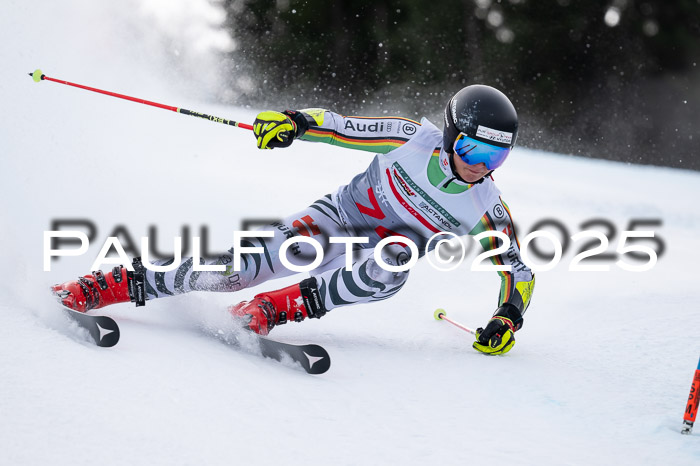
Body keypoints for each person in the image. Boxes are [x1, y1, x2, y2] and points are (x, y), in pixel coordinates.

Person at [51, 84, 535, 355]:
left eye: (496, 157)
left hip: (372, 264)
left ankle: (273, 309)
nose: (479, 165)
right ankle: (111, 283)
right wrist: (295, 122)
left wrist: (506, 317)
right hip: (335, 221)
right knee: (235, 272)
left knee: (394, 257)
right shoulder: (411, 138)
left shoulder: (484, 207)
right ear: (451, 135)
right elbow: (340, 127)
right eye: (473, 148)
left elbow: (517, 272)